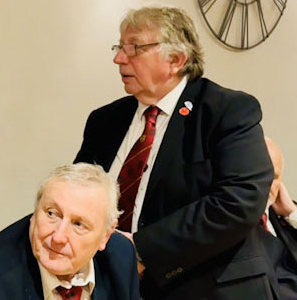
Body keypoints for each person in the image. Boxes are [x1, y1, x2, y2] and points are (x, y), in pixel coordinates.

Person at [74, 5, 274, 300]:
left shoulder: (226, 111)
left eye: (134, 48)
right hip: (115, 286)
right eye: (119, 47)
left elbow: (239, 201)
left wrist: (140, 250)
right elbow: (77, 193)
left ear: (176, 59)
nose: (118, 59)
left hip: (209, 287)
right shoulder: (104, 121)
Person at [0, 163, 140, 300]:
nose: (58, 237)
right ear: (35, 211)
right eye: (51, 214)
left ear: (105, 236)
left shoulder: (120, 257)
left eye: (78, 224)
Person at [262, 137, 297, 300]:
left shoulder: (288, 218)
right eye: (261, 175)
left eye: (274, 177)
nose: (267, 185)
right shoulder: (226, 224)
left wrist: (291, 213)